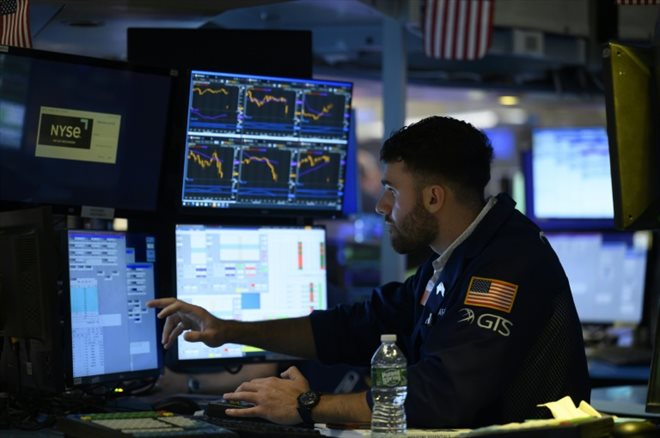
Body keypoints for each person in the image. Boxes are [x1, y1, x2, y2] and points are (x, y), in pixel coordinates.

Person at [147, 116, 590, 428]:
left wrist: (308, 404)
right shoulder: (458, 258)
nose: (382, 207)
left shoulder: (505, 266)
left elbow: (442, 395)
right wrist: (229, 329)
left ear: (434, 197)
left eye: (393, 191)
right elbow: (356, 327)